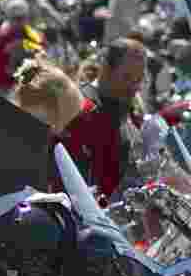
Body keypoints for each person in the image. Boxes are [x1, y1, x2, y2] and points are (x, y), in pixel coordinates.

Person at [59, 37, 146, 201]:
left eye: (138, 80)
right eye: (127, 77)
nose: (133, 87)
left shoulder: (130, 112)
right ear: (105, 69)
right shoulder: (79, 109)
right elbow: (69, 178)